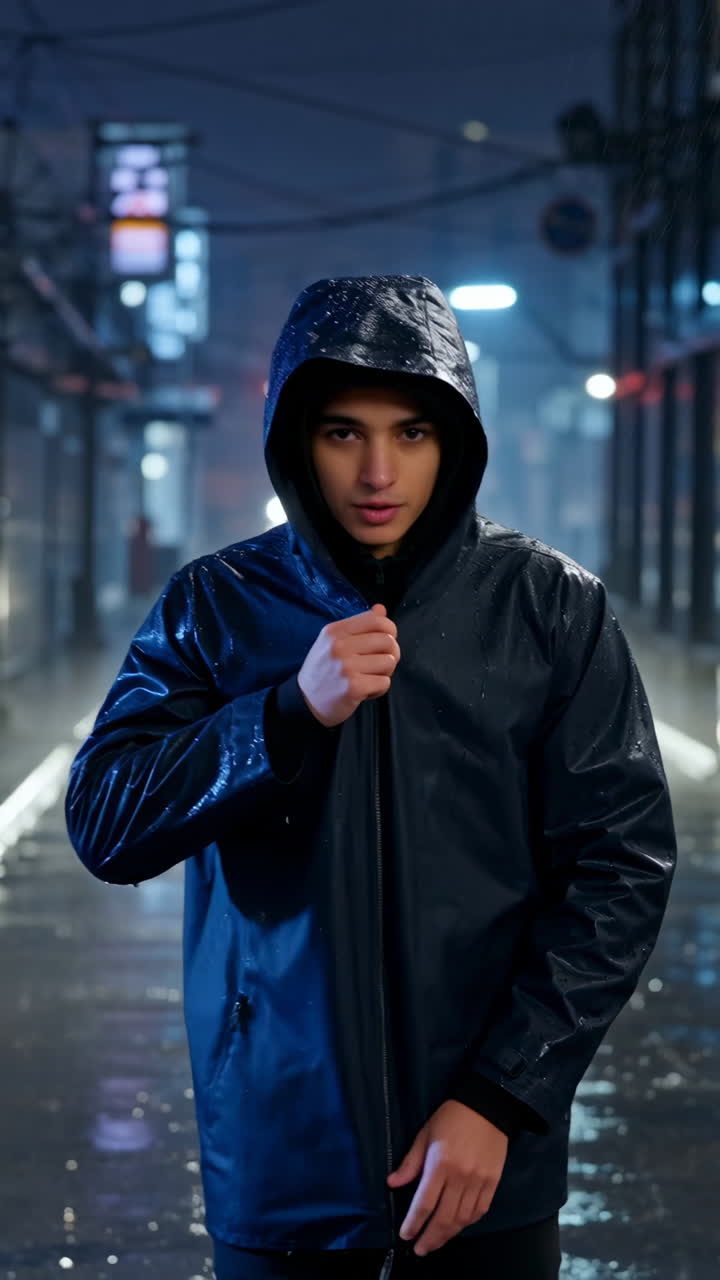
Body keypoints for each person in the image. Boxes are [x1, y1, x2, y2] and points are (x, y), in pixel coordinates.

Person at [65, 275, 677, 1280]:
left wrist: (501, 1096)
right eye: (344, 432)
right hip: (281, 1155)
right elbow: (104, 818)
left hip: (482, 1167)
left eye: (413, 433)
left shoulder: (548, 607)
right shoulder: (217, 605)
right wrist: (282, 713)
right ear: (296, 439)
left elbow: (621, 868)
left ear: (457, 440)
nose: (379, 470)